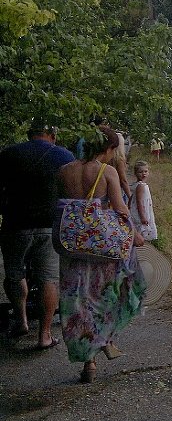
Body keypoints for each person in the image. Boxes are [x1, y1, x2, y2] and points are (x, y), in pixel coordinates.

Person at [57, 127, 146, 382]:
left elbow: (62, 205)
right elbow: (120, 209)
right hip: (102, 247)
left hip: (72, 246)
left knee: (78, 300)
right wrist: (135, 234)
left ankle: (90, 361)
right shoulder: (106, 171)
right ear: (106, 149)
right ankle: (104, 338)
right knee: (104, 297)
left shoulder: (63, 171)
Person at [0, 122, 75, 348]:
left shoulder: (8, 154)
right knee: (49, 280)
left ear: (28, 135)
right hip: (49, 226)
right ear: (52, 135)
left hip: (15, 225)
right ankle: (44, 335)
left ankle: (21, 321)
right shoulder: (64, 155)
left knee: (14, 274)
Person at [130, 160, 157, 242]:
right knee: (142, 229)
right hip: (141, 212)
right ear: (136, 173)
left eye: (146, 171)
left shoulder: (138, 185)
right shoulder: (141, 186)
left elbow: (132, 198)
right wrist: (142, 217)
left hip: (140, 210)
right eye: (140, 172)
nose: (143, 174)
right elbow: (139, 202)